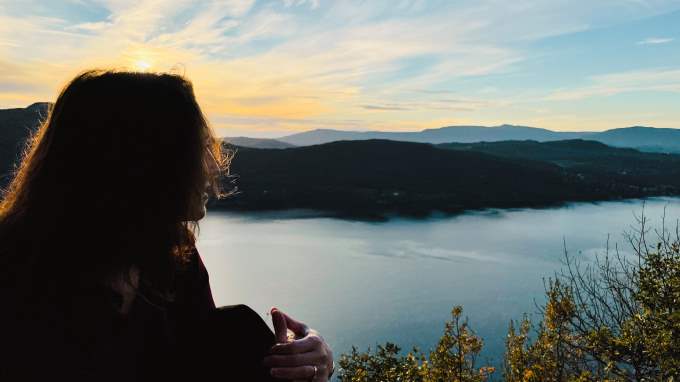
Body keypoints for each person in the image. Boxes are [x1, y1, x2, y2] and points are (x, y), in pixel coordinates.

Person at [0, 70, 333, 381]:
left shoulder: (175, 256)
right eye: (199, 150)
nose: (213, 167)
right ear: (142, 161)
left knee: (241, 330)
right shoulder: (15, 275)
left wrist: (308, 360)